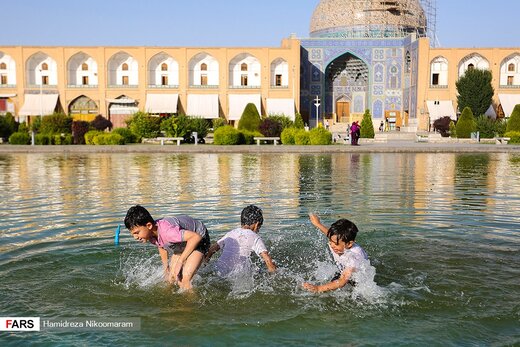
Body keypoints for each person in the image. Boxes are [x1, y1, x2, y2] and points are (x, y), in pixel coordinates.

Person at [124, 205, 210, 290]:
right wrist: (166, 268)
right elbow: (161, 246)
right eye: (133, 234)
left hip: (200, 238)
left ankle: (191, 303)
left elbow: (196, 237)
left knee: (185, 279)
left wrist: (181, 261)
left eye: (137, 233)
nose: (135, 237)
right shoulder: (151, 233)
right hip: (183, 241)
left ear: (149, 225)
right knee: (172, 278)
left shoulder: (168, 232)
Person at [303, 213, 369, 293]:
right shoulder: (337, 241)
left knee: (353, 293)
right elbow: (331, 235)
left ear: (349, 244)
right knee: (333, 283)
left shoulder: (353, 257)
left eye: (335, 243)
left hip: (358, 280)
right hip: (344, 270)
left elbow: (342, 280)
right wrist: (318, 224)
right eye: (330, 241)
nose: (332, 245)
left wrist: (318, 288)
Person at [205, 205, 276, 277]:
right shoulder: (255, 237)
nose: (258, 230)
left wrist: (205, 265)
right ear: (257, 224)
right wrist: (274, 275)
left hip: (218, 271)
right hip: (237, 275)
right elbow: (267, 258)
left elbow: (211, 250)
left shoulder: (230, 233)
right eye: (259, 227)